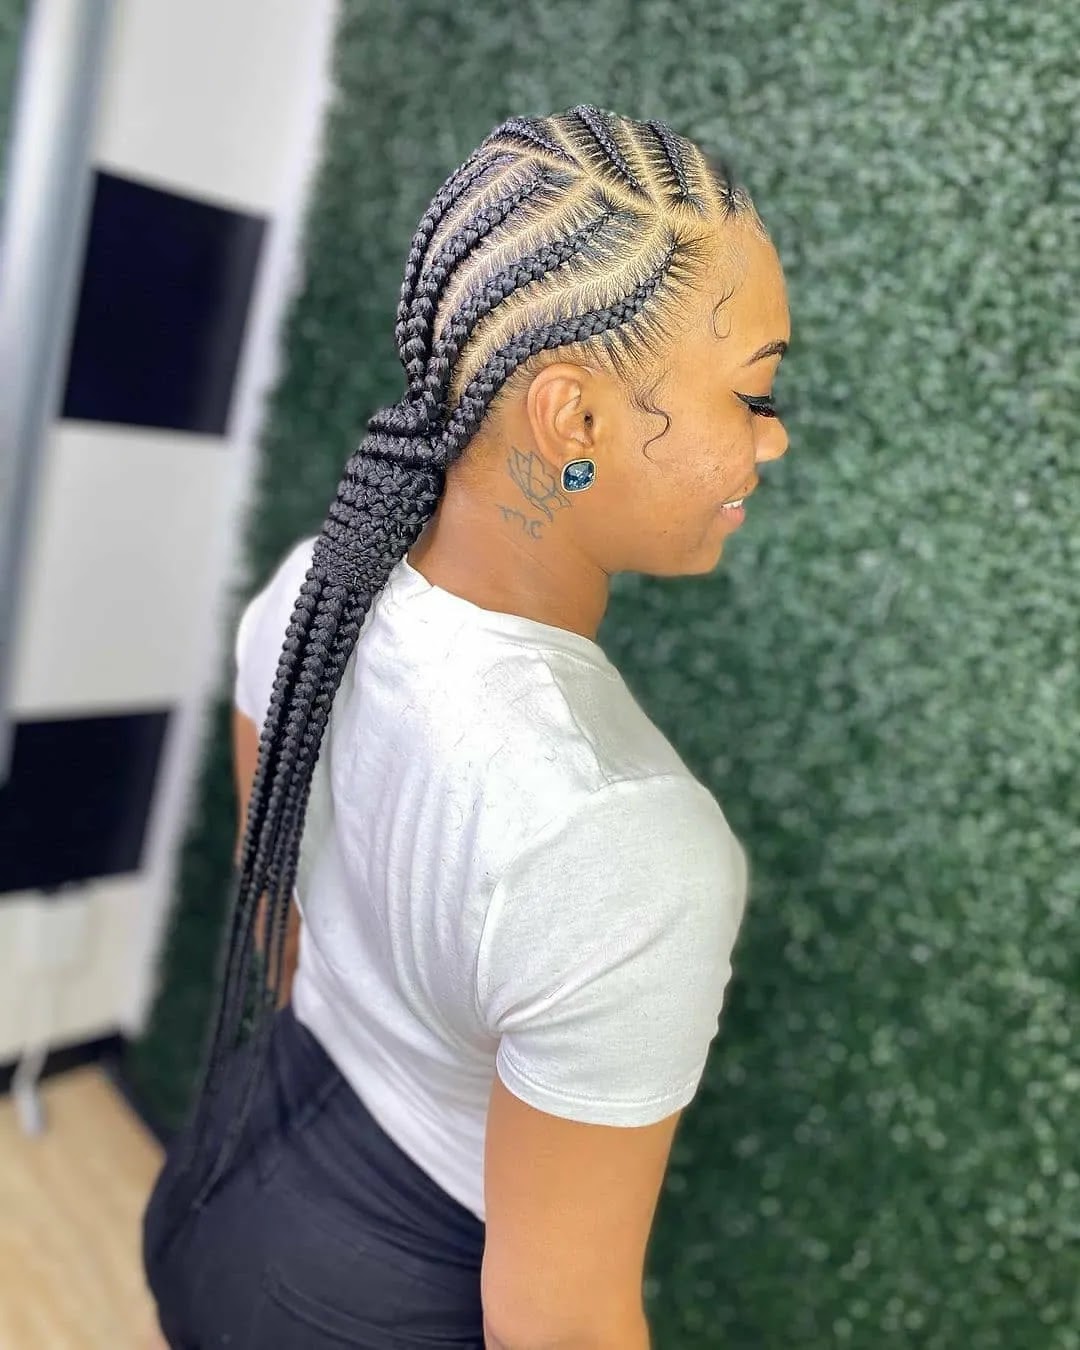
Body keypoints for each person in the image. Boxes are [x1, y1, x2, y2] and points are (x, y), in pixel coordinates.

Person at [141, 103, 791, 1349]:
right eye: (754, 393)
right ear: (574, 421)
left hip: (224, 1190)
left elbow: (282, 936)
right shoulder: (624, 837)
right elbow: (559, 1325)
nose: (774, 437)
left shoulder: (311, 595)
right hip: (372, 1304)